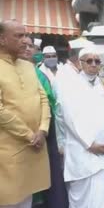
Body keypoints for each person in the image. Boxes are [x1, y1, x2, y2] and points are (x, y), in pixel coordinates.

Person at [54, 46, 104, 208]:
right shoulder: (70, 85)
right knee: (81, 200)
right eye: (89, 60)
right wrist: (91, 144)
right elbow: (71, 119)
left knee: (100, 199)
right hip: (83, 154)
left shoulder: (103, 84)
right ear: (80, 63)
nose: (93, 64)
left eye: (97, 61)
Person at [0, 20, 50, 207]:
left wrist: (43, 129)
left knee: (26, 200)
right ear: (2, 39)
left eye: (26, 35)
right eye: (19, 36)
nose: (25, 40)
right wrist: (30, 135)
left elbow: (43, 99)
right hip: (9, 153)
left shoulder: (28, 66)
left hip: (34, 148)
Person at [19, 36, 69, 208]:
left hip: (46, 130)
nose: (27, 49)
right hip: (20, 134)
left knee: (50, 171)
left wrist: (43, 128)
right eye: (23, 45)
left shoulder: (41, 75)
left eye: (31, 46)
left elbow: (48, 102)